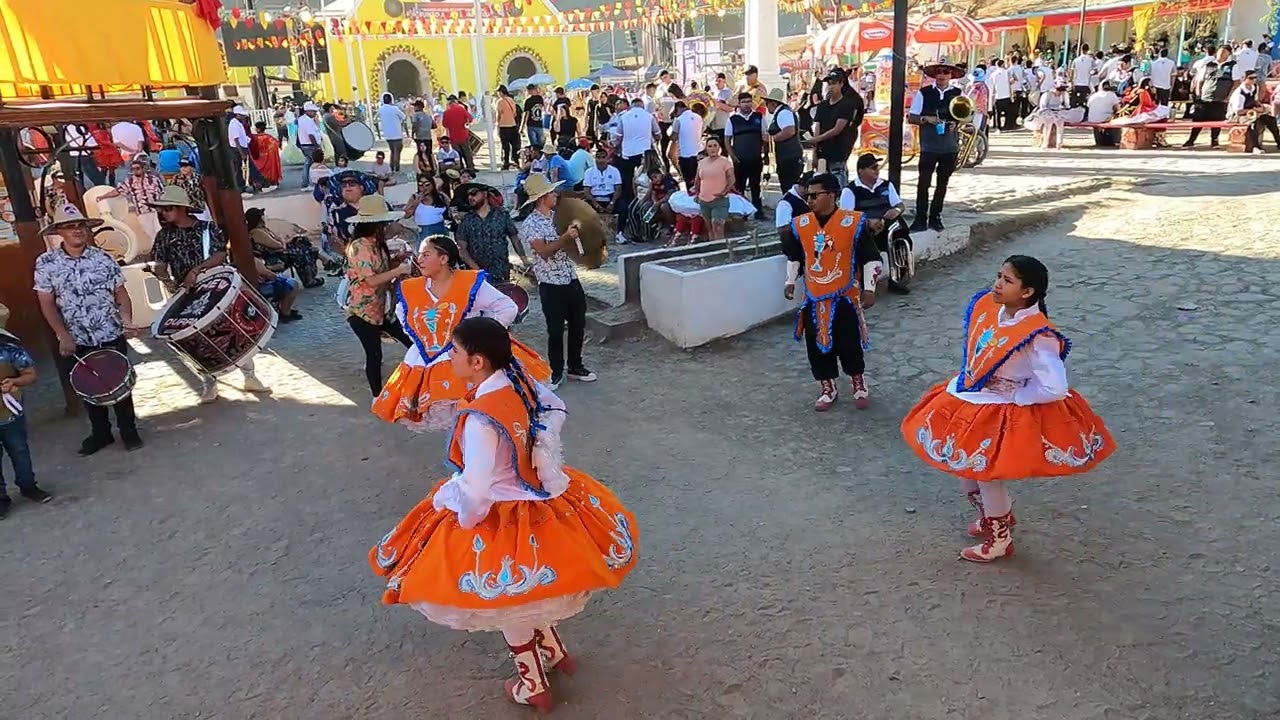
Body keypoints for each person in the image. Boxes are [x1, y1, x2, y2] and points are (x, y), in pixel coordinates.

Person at [369, 315, 637, 711]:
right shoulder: (517, 382)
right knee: (531, 594)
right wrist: (541, 448)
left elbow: (476, 489)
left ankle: (533, 685)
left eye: (456, 352)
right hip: (540, 502)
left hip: (500, 511)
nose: (450, 358)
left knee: (509, 595)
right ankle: (553, 650)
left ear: (477, 361)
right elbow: (553, 407)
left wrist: (458, 514)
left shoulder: (480, 417)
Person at [899, 255, 1115, 562]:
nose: (997, 284)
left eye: (1007, 280)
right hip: (974, 398)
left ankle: (1000, 539)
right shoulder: (993, 309)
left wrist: (1018, 396)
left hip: (1000, 409)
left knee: (986, 474)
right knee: (968, 471)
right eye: (999, 275)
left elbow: (1055, 386)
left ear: (1027, 292)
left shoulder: (1038, 336)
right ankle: (994, 517)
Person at [372, 236, 551, 430]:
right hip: (427, 360)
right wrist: (422, 337)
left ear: (444, 258)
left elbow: (507, 307)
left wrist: (481, 337)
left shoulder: (469, 284)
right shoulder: (412, 288)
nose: (419, 260)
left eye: (426, 254)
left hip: (468, 357)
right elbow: (403, 315)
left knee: (481, 416)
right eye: (420, 255)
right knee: (456, 422)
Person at [33, 205, 143, 454]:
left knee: (120, 384)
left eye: (81, 225)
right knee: (90, 387)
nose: (77, 230)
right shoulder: (47, 263)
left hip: (109, 332)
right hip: (78, 338)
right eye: (70, 226)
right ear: (59, 231)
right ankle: (101, 433)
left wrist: (125, 318)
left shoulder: (103, 258)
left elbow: (120, 293)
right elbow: (46, 303)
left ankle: (129, 431)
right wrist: (62, 335)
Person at [148, 186, 274, 401]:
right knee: (196, 340)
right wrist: (164, 277)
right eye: (161, 209)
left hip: (215, 288)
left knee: (233, 328)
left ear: (181, 209)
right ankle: (209, 383)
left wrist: (196, 271)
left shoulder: (206, 229)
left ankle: (249, 376)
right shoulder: (163, 235)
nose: (163, 213)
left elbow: (219, 254)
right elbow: (159, 262)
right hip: (185, 293)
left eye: (167, 208)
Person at [781, 173, 881, 412]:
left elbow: (871, 257)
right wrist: (790, 280)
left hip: (843, 295)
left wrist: (869, 289)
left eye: (815, 195)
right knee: (816, 346)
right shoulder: (801, 224)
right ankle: (827, 387)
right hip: (814, 297)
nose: (810, 200)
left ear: (832, 195)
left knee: (849, 343)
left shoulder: (854, 222)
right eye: (808, 196)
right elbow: (795, 255)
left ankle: (858, 383)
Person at [519, 175, 597, 388]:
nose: (555, 195)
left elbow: (571, 246)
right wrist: (566, 238)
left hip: (569, 277)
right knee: (555, 330)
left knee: (577, 324)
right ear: (543, 197)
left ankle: (575, 365)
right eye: (552, 192)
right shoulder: (531, 224)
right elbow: (543, 251)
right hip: (550, 283)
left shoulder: (559, 217)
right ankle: (555, 370)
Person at [343, 195, 414, 397]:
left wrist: (396, 262)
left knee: (410, 340)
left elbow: (381, 270)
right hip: (362, 313)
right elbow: (371, 280)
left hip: (381, 309)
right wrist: (398, 270)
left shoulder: (377, 244)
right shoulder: (359, 247)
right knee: (374, 354)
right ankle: (377, 397)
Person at [0, 303, 52, 514]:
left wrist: (14, 382)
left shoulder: (11, 349)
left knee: (19, 450)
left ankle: (28, 485)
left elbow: (30, 375)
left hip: (10, 412)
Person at [839, 153, 911, 295]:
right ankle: (866, 285)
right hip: (865, 230)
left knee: (902, 241)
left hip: (887, 226)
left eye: (877, 167)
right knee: (865, 246)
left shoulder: (886, 185)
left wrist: (896, 210)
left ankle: (896, 279)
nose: (876, 170)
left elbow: (900, 205)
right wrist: (867, 222)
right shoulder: (851, 190)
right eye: (872, 168)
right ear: (861, 170)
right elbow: (846, 217)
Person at [908, 62, 964, 232]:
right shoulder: (924, 93)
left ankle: (935, 217)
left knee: (942, 184)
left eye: (945, 72)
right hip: (929, 145)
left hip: (949, 146)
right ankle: (920, 218)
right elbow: (912, 117)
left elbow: (966, 116)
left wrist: (957, 123)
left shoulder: (958, 94)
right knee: (923, 183)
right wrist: (926, 119)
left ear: (951, 75)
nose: (941, 75)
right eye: (938, 72)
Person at [455, 181, 527, 284]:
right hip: (476, 275)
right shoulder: (467, 220)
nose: (470, 197)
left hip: (501, 271)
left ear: (484, 194)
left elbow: (514, 237)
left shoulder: (502, 215)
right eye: (468, 195)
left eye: (474, 193)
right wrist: (477, 270)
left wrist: (524, 259)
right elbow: (462, 249)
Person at [808, 68, 864, 185]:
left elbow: (838, 129)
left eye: (834, 83)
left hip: (839, 149)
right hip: (823, 151)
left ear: (841, 83)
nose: (830, 86)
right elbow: (817, 125)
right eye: (829, 83)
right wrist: (815, 151)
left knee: (838, 183)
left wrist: (817, 139)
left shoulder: (848, 102)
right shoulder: (823, 105)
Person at [245, 207, 322, 288]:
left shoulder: (263, 229)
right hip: (272, 257)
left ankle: (312, 274)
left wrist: (283, 240)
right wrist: (282, 240)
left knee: (301, 241)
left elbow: (279, 241)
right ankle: (310, 278)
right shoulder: (257, 232)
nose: (264, 217)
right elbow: (278, 245)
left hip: (278, 252)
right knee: (300, 252)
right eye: (262, 215)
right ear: (258, 218)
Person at [725, 92, 765, 217]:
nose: (747, 104)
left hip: (756, 158)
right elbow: (727, 140)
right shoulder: (732, 119)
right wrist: (733, 157)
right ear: (739, 104)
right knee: (740, 187)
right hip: (740, 160)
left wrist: (767, 154)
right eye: (744, 102)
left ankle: (758, 211)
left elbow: (765, 136)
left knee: (755, 186)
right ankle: (741, 213)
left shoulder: (759, 116)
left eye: (749, 101)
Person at [691, 136, 735, 242]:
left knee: (717, 225)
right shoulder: (702, 163)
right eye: (710, 146)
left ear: (719, 147)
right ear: (706, 148)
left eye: (715, 145)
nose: (712, 148)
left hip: (720, 200)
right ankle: (715, 251)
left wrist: (724, 192)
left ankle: (721, 249)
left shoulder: (725, 162)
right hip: (704, 201)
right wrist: (697, 194)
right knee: (709, 228)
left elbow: (732, 179)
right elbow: (697, 181)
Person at [764, 88, 804, 198]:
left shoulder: (783, 113)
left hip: (789, 156)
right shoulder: (783, 112)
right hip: (786, 156)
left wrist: (772, 138)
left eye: (767, 103)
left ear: (772, 103)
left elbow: (790, 130)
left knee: (789, 187)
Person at [1228, 70, 1280, 153]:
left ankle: (1279, 142)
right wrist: (1254, 111)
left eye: (1255, 78)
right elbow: (1238, 111)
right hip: (1236, 115)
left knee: (1271, 120)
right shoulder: (1240, 93)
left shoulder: (1254, 87)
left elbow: (1255, 100)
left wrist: (1261, 107)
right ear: (1244, 78)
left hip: (1251, 112)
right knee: (1253, 123)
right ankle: (1255, 147)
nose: (1254, 80)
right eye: (1251, 78)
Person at [404, 174, 451, 240]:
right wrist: (416, 203)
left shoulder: (440, 196)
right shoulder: (415, 197)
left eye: (427, 185)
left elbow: (451, 207)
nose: (424, 187)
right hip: (423, 229)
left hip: (440, 227)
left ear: (432, 185)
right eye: (421, 185)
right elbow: (406, 215)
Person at [670, 101, 704, 190]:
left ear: (677, 109)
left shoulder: (678, 120)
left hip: (685, 154)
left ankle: (691, 198)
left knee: (690, 182)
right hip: (699, 152)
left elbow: (673, 137)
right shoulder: (699, 117)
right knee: (700, 180)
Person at [582, 148, 622, 214]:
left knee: (623, 206)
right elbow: (586, 191)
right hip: (594, 198)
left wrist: (612, 203)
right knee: (583, 207)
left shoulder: (614, 170)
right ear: (595, 159)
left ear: (607, 158)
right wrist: (596, 204)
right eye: (598, 157)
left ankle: (621, 224)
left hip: (610, 198)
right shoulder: (589, 172)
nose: (601, 160)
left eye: (603, 157)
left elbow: (618, 189)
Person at [296, 102, 325, 189]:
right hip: (310, 144)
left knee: (308, 164)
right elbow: (311, 134)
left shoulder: (301, 119)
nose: (315, 114)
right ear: (308, 111)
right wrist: (316, 146)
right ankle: (311, 183)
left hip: (304, 144)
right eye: (314, 112)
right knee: (315, 164)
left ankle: (305, 183)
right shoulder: (308, 121)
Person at [248, 121, 282, 192]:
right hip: (269, 158)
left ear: (258, 129)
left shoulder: (255, 138)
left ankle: (259, 184)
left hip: (259, 158)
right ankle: (272, 182)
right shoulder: (269, 137)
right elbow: (277, 144)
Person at [377, 92, 406, 173]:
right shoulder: (394, 109)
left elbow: (377, 117)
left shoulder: (381, 109)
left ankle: (391, 166)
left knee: (392, 151)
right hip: (397, 133)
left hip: (387, 134)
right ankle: (396, 167)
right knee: (398, 151)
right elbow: (403, 117)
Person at [1087, 82, 1122, 147]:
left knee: (1099, 121)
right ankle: (1116, 141)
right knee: (1117, 120)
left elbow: (1088, 105)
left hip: (1092, 118)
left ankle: (1099, 141)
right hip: (1104, 118)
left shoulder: (1094, 95)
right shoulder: (1111, 94)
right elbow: (1118, 109)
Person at [228, 106, 253, 196]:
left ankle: (242, 185)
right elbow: (236, 139)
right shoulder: (234, 124)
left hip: (242, 147)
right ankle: (240, 188)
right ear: (237, 114)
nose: (244, 117)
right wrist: (241, 153)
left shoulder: (239, 123)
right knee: (238, 169)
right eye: (242, 115)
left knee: (242, 168)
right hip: (237, 149)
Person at [495, 86, 521, 170]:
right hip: (512, 125)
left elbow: (498, 114)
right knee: (514, 145)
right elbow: (515, 113)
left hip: (504, 126)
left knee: (505, 146)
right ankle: (516, 161)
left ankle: (506, 163)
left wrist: (497, 124)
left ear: (501, 92)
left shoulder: (500, 101)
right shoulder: (511, 100)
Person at [410, 99, 436, 174]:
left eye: (415, 106)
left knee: (421, 154)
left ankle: (424, 170)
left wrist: (412, 134)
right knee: (429, 153)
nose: (414, 108)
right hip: (428, 137)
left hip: (420, 137)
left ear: (419, 107)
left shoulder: (416, 115)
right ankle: (432, 169)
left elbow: (415, 125)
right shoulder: (428, 115)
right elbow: (434, 126)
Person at [523, 85, 547, 150]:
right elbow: (543, 108)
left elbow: (527, 114)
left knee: (534, 144)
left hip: (531, 124)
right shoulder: (540, 98)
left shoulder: (528, 101)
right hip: (539, 122)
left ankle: (535, 156)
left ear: (529, 91)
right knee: (540, 144)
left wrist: (524, 124)